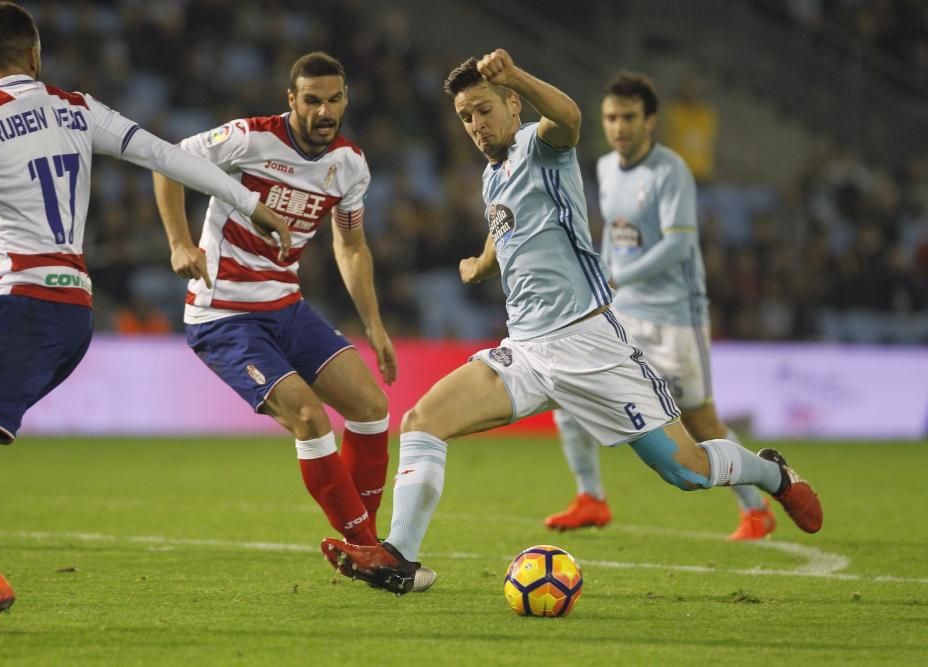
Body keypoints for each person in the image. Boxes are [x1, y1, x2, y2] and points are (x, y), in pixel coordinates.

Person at [320, 49, 822, 594]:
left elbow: (571, 119)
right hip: (528, 352)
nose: (475, 125)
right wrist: (480, 265)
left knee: (687, 470)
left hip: (591, 343)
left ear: (513, 105)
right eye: (466, 117)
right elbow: (503, 227)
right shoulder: (493, 177)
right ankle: (400, 559)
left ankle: (773, 474)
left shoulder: (540, 143)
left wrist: (514, 74)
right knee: (421, 421)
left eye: (484, 109)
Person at [0, 2, 291, 632]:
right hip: (70, 308)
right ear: (36, 57)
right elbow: (165, 154)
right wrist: (247, 201)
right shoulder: (77, 108)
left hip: (24, 300)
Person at [151, 52, 436, 590]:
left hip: (287, 306)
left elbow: (351, 245)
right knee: (309, 417)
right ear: (291, 100)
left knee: (373, 407)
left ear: (346, 99)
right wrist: (179, 242)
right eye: (312, 100)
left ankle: (364, 547)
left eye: (334, 99)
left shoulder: (350, 165)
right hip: (224, 313)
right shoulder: (249, 140)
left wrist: (374, 325)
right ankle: (373, 553)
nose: (324, 111)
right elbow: (166, 162)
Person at [544, 72, 777, 541]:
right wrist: (600, 277)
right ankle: (591, 496)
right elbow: (613, 231)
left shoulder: (671, 171)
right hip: (625, 313)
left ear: (651, 120)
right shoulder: (607, 169)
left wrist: (616, 275)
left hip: (676, 318)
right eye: (610, 117)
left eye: (629, 117)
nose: (618, 127)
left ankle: (757, 509)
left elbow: (678, 245)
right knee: (567, 389)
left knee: (700, 421)